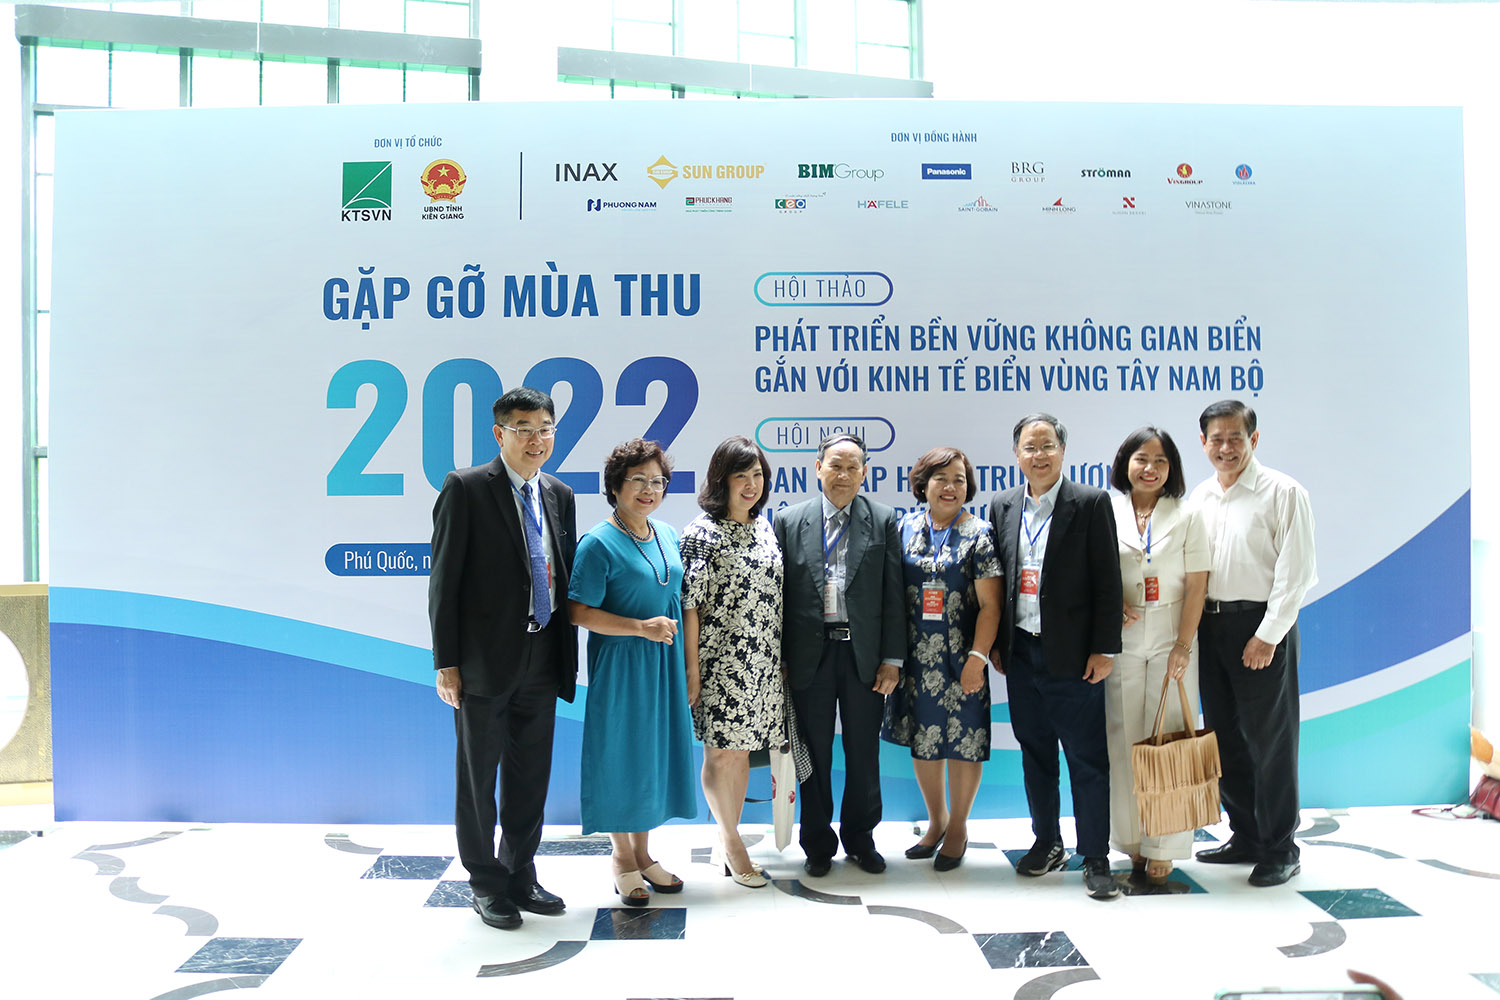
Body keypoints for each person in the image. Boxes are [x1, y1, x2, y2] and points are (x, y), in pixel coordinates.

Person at [429, 386, 578, 931]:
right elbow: (444, 582)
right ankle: (486, 884)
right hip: (483, 663)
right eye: (523, 429)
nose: (536, 439)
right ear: (499, 433)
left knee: (529, 777)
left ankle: (520, 873)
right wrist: (447, 662)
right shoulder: (467, 488)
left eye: (545, 428)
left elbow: (561, 572)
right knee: (477, 781)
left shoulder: (559, 494)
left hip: (544, 653)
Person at [988, 413, 1124, 900]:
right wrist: (997, 644)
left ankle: (1096, 857)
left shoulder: (1090, 502)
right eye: (1030, 447)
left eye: (1047, 446)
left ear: (1062, 451)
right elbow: (997, 581)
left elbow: (1108, 581)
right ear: (1017, 454)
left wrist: (1104, 649)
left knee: (1087, 760)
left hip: (1074, 657)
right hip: (1021, 653)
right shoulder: (1002, 505)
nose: (1039, 455)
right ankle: (1047, 842)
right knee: (1036, 754)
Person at [1189, 400, 1316, 887]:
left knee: (1271, 742)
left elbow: (1296, 572)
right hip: (1211, 627)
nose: (1226, 448)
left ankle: (1281, 847)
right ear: (1203, 443)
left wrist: (1267, 635)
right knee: (1225, 739)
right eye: (1216, 439)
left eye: (1235, 438)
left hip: (1261, 627)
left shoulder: (1283, 492)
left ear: (1254, 439)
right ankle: (1246, 836)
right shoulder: (1200, 497)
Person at [568, 438, 697, 906]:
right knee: (620, 756)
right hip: (622, 665)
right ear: (615, 486)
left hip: (662, 662)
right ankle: (622, 858)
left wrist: (688, 665)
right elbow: (577, 612)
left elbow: (677, 597)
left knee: (650, 757)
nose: (649, 490)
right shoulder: (598, 543)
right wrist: (639, 628)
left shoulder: (666, 533)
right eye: (638, 480)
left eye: (658, 481)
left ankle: (644, 854)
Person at [774, 432, 904, 877]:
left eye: (852, 467)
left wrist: (893, 659)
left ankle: (861, 839)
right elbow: (779, 597)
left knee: (863, 752)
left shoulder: (883, 519)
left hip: (864, 656)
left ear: (864, 472)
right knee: (815, 754)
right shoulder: (789, 521)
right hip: (809, 655)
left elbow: (893, 595)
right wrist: (781, 658)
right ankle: (816, 844)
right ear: (818, 468)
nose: (843, 475)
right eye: (835, 465)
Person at [882, 446, 1001, 871]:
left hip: (963, 658)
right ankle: (936, 822)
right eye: (941, 478)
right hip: (916, 659)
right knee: (925, 740)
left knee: (964, 743)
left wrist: (977, 659)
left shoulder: (980, 534)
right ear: (923, 484)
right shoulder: (904, 528)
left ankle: (959, 828)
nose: (950, 487)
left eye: (959, 480)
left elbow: (991, 606)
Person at [1104, 426, 1209, 885]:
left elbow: (1198, 584)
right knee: (1123, 735)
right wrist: (1112, 606)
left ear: (1173, 468)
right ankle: (1131, 840)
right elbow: (1094, 573)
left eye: (1161, 461)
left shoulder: (1188, 514)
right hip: (1123, 632)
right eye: (1141, 459)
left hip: (1171, 628)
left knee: (1168, 738)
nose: (1150, 468)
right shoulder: (1106, 510)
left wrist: (1183, 644)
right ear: (1125, 463)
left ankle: (1164, 845)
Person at [680, 436, 784, 889]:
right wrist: (692, 670)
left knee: (741, 754)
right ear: (721, 480)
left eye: (757, 474)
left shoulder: (765, 528)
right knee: (721, 753)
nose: (750, 484)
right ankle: (731, 842)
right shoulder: (701, 534)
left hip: (763, 664)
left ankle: (729, 836)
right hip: (720, 663)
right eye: (741, 475)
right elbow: (690, 606)